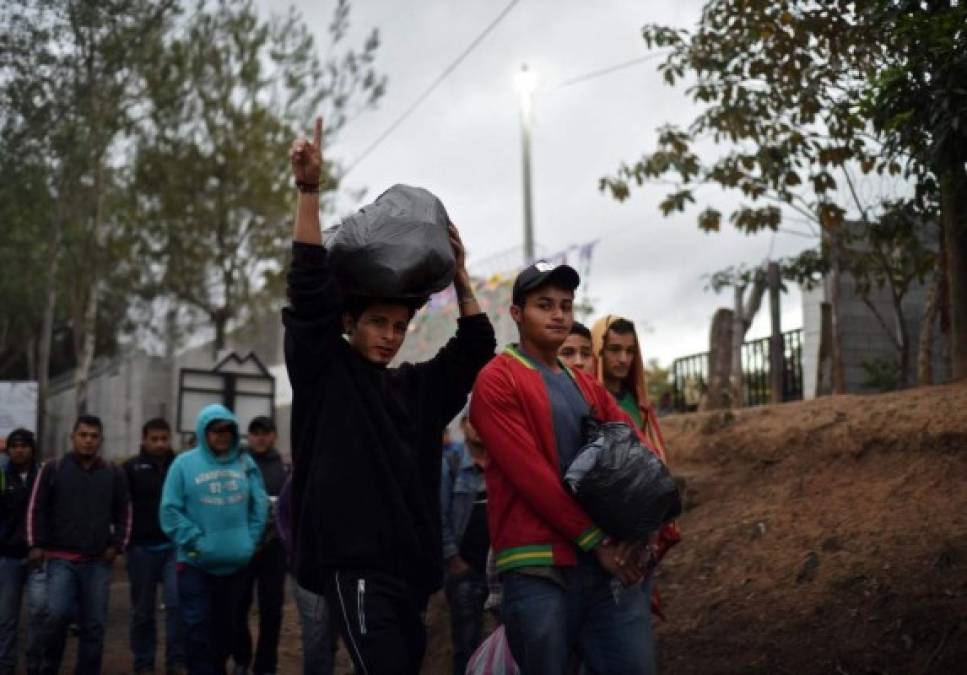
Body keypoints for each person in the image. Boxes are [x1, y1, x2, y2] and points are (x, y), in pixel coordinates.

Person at [284, 117, 496, 675]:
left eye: (400, 325)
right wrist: (308, 192)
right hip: (353, 569)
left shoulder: (415, 390)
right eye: (378, 322)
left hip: (412, 575)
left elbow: (476, 346)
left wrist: (463, 276)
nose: (390, 335)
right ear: (350, 321)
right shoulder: (325, 376)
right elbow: (307, 291)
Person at [470, 261, 665, 675]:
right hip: (538, 565)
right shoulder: (497, 379)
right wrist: (600, 541)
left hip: (604, 566)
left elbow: (636, 448)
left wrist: (640, 530)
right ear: (517, 314)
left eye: (565, 305)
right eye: (544, 305)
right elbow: (534, 478)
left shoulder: (584, 384)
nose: (558, 314)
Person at [160, 405, 269, 675]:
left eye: (228, 430)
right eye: (216, 430)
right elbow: (169, 511)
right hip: (196, 565)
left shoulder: (245, 463)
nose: (223, 435)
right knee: (197, 629)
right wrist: (196, 541)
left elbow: (260, 505)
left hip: (236, 566)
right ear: (203, 432)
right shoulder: (183, 464)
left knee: (226, 630)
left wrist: (250, 539)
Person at [26, 415, 131, 675]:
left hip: (98, 562)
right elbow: (36, 508)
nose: (88, 441)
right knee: (57, 616)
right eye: (83, 435)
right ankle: (49, 666)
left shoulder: (113, 472)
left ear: (100, 440)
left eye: (94, 436)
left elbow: (125, 511)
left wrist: (117, 545)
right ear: (72, 437)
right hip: (61, 559)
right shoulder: (53, 468)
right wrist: (36, 544)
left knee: (94, 625)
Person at [589, 315, 681, 610]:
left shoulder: (639, 405)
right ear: (597, 352)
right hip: (604, 534)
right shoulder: (587, 400)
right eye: (614, 350)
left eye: (630, 351)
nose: (623, 358)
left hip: (645, 528)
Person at [122, 418, 186, 675]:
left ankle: (176, 661)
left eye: (164, 438)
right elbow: (121, 507)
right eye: (154, 439)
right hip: (141, 548)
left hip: (174, 546)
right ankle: (144, 662)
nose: (160, 444)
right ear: (144, 440)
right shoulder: (130, 468)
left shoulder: (181, 466)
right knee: (142, 611)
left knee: (177, 604)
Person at [233, 416, 289, 675]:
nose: (261, 437)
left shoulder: (284, 467)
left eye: (266, 432)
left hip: (274, 550)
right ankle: (242, 657)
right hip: (243, 547)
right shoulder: (237, 464)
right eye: (255, 432)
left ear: (274, 436)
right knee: (237, 606)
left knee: (271, 610)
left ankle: (266, 665)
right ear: (248, 436)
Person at [440, 416, 490, 675]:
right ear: (463, 427)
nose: (480, 427)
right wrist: (454, 560)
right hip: (465, 572)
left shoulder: (503, 460)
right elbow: (440, 516)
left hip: (500, 571)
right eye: (473, 421)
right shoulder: (452, 462)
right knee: (466, 646)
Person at [276, 476, 338, 675]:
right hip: (308, 572)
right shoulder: (300, 477)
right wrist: (294, 548)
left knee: (330, 635)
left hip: (341, 571)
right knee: (316, 634)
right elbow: (282, 514)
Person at [0, 429, 41, 675]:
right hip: (8, 557)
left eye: (24, 445)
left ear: (31, 448)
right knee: (7, 619)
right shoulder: (2, 476)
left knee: (40, 614)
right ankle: (5, 665)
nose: (19, 449)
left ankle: (35, 665)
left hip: (39, 557)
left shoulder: (44, 475)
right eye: (14, 446)